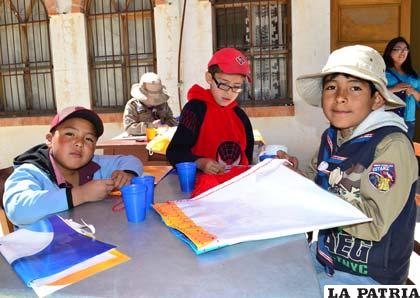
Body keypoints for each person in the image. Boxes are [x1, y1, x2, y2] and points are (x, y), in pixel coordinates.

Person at [289, 45, 417, 286]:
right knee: (269, 271)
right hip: (329, 254)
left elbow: (373, 223)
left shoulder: (390, 145)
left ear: (377, 99)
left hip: (372, 275)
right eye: (331, 86)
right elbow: (314, 178)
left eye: (355, 87)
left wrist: (316, 194)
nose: (340, 96)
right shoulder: (333, 137)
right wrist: (288, 175)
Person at [4, 106, 143, 227]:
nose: (79, 143)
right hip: (42, 252)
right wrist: (81, 194)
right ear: (49, 139)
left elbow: (131, 160)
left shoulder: (94, 164)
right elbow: (17, 209)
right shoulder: (31, 171)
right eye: (70, 134)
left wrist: (127, 173)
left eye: (89, 139)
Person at [166, 48, 254, 174]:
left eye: (236, 87)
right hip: (202, 186)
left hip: (235, 185)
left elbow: (248, 157)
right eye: (224, 84)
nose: (229, 92)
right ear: (209, 78)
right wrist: (200, 163)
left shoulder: (240, 116)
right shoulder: (195, 109)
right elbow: (175, 152)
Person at [383, 36, 420, 140]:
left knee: (405, 151)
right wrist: (394, 88)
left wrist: (413, 91)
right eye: (398, 49)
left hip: (409, 120)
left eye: (405, 49)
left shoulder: (414, 74)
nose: (402, 52)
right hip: (388, 119)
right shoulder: (383, 72)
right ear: (390, 51)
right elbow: (373, 94)